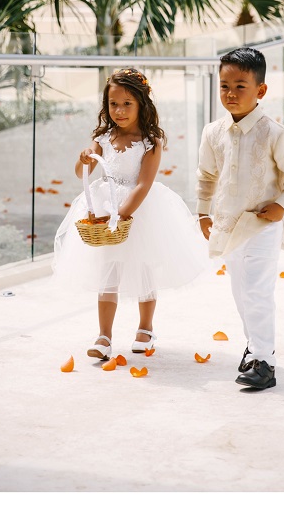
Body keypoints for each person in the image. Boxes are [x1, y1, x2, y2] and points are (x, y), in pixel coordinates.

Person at [53, 68, 205, 360]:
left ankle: (145, 328)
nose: (119, 111)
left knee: (143, 267)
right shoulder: (103, 136)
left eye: (127, 104)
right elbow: (80, 173)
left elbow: (144, 184)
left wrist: (120, 216)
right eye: (113, 104)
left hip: (137, 210)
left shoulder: (150, 142)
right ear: (106, 105)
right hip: (106, 204)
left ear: (141, 104)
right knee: (108, 272)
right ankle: (104, 336)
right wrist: (83, 158)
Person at [197, 47, 284, 390]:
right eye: (224, 86)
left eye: (240, 86)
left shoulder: (274, 133)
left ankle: (265, 362)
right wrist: (203, 212)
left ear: (260, 90)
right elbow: (206, 176)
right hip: (229, 227)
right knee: (241, 293)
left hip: (262, 225)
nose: (230, 93)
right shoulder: (213, 132)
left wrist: (282, 204)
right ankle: (256, 347)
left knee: (258, 292)